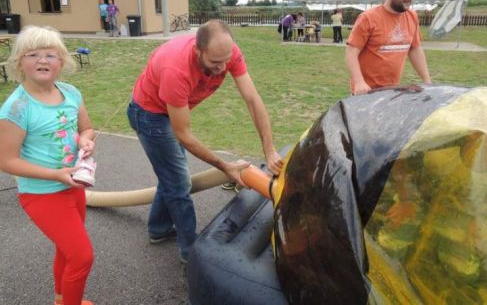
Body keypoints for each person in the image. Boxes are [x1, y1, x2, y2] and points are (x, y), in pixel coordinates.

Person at [127, 19, 283, 263]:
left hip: (169, 112)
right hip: (149, 115)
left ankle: (158, 230)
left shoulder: (226, 52)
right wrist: (225, 166)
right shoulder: (176, 69)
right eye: (214, 62)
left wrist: (270, 149)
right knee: (178, 183)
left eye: (226, 60)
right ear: (197, 51)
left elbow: (252, 99)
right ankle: (191, 252)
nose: (222, 68)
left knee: (171, 176)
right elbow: (184, 134)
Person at [0, 26, 96, 305]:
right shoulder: (17, 108)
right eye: (33, 54)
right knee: (81, 256)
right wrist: (56, 174)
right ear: (20, 62)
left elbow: (86, 128)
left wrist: (85, 142)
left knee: (66, 251)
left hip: (74, 185)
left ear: (63, 62)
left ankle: (60, 298)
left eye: (50, 55)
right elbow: (6, 160)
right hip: (41, 193)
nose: (43, 60)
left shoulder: (71, 93)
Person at [345, 0, 431, 95]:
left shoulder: (412, 16)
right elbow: (351, 53)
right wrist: (359, 82)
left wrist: (427, 81)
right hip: (365, 92)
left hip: (392, 91)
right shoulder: (368, 18)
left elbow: (415, 49)